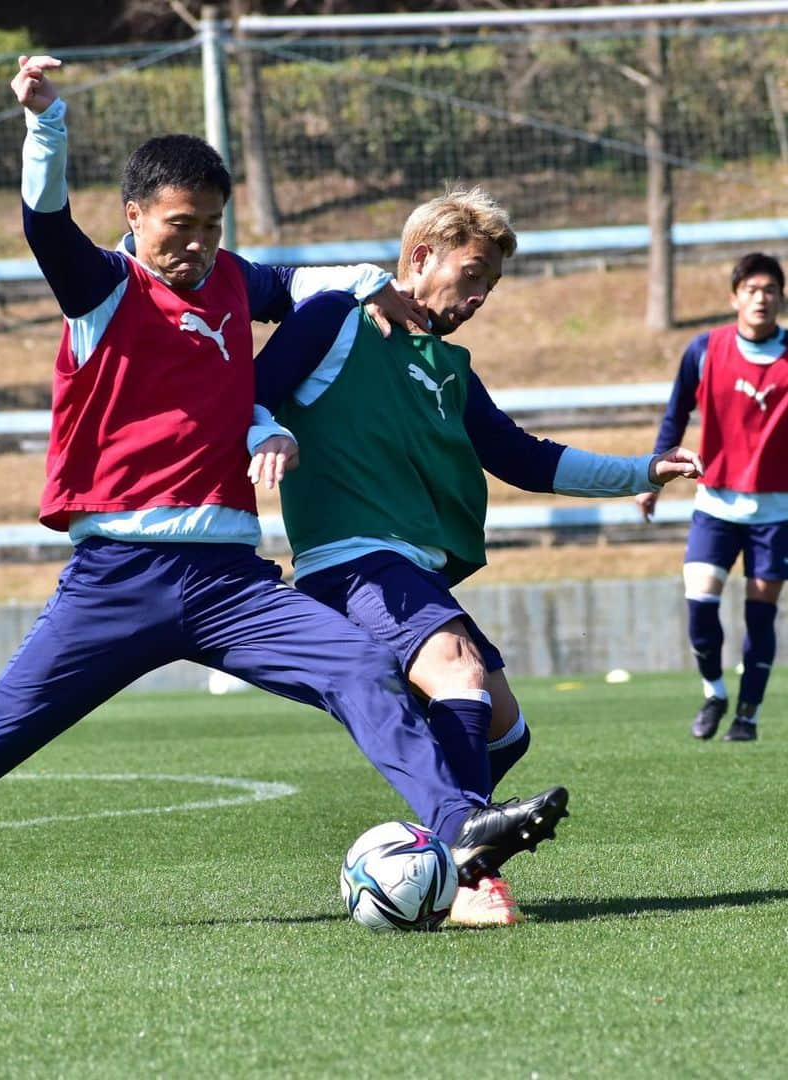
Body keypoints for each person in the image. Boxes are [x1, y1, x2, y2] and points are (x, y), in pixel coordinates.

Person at [0, 58, 570, 944]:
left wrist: (378, 285)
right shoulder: (101, 287)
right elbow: (44, 221)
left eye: (213, 227)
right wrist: (44, 123)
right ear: (135, 218)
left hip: (230, 585)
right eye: (180, 227)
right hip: (116, 581)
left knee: (365, 669)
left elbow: (297, 286)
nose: (199, 246)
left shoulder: (225, 279)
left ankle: (458, 835)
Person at [251, 186, 702, 926]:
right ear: (421, 257)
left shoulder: (450, 367)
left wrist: (640, 472)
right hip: (352, 562)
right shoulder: (339, 319)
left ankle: (423, 851)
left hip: (411, 569)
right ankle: (459, 875)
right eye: (473, 274)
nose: (481, 295)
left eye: (491, 284)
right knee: (461, 675)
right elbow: (253, 390)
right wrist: (260, 434)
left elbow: (523, 458)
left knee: (506, 729)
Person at [637, 252, 786, 744]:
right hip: (716, 504)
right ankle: (715, 692)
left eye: (769, 289)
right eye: (751, 289)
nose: (761, 297)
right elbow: (674, 415)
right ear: (734, 298)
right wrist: (652, 477)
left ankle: (747, 715)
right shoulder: (704, 350)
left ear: (781, 297)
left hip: (777, 511)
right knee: (700, 604)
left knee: (759, 614)